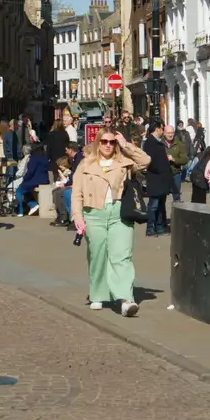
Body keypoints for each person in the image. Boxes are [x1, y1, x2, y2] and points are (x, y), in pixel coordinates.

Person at [72, 126, 151, 315]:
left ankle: (125, 299)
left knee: (122, 256)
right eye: (104, 141)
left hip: (119, 214)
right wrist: (77, 216)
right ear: (98, 143)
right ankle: (98, 294)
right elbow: (76, 193)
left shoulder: (124, 162)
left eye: (112, 142)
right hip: (94, 214)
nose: (108, 145)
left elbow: (146, 160)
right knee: (98, 256)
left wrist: (125, 144)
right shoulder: (85, 164)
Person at [141, 119, 175, 236]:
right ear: (157, 129)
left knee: (161, 205)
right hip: (155, 178)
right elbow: (150, 161)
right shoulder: (150, 142)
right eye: (162, 129)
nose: (163, 131)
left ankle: (160, 226)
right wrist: (160, 169)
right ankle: (150, 228)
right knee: (153, 205)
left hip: (162, 179)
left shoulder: (158, 142)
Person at [52, 142, 80, 227]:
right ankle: (60, 215)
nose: (66, 152)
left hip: (77, 184)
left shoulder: (78, 158)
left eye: (66, 150)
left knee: (60, 192)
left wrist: (67, 184)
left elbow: (75, 174)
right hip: (74, 183)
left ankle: (64, 217)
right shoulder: (76, 158)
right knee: (55, 191)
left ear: (70, 150)